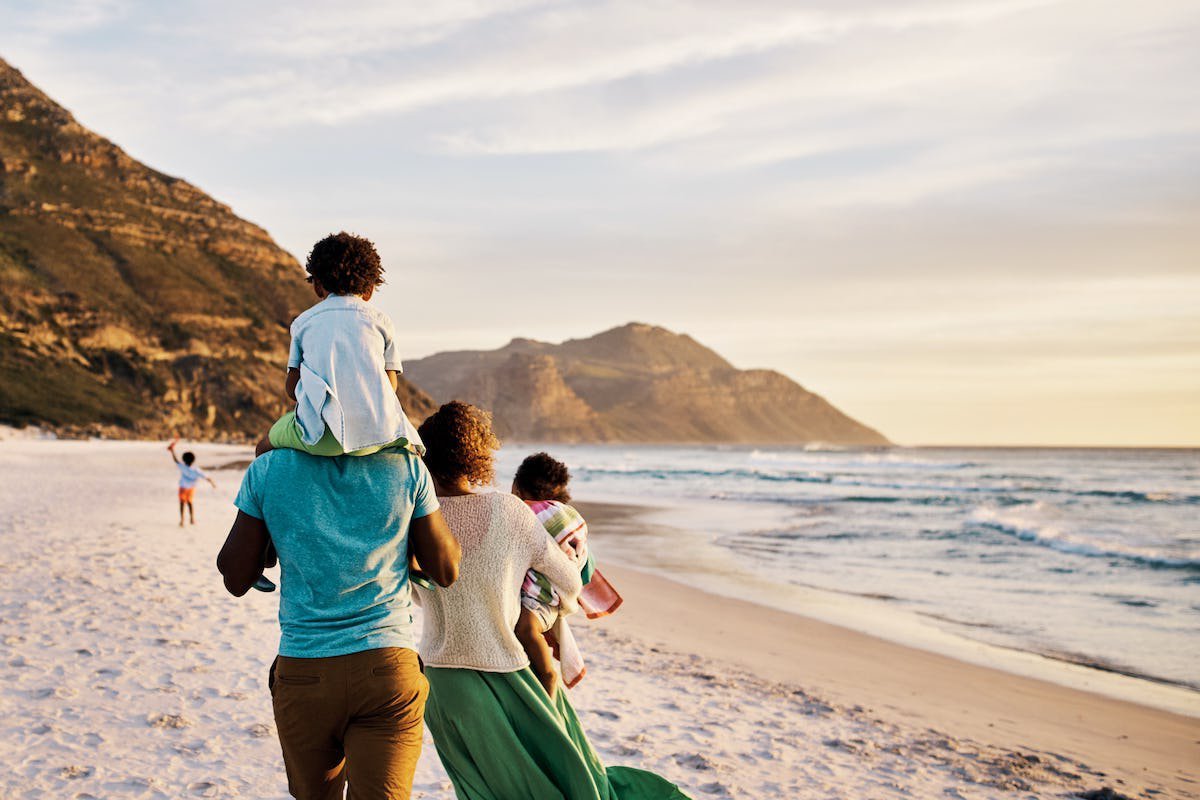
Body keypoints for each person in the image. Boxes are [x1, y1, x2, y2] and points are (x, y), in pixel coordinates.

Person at [414, 401, 691, 800]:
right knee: (561, 781)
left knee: (477, 792)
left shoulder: (418, 518)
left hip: (441, 685)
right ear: (476, 455)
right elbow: (570, 583)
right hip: (504, 673)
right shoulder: (509, 510)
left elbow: (423, 592)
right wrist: (538, 613)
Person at [216, 446, 461, 800]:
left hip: (305, 671)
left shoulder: (268, 469)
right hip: (386, 670)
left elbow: (235, 577)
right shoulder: (407, 468)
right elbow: (446, 570)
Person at [255, 232, 423, 459]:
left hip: (320, 438)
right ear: (370, 289)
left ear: (318, 286)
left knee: (263, 447)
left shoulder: (304, 323)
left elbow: (292, 389)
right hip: (376, 437)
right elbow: (390, 385)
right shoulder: (382, 322)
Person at [511, 451, 623, 694]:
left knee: (525, 629)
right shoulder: (567, 517)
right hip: (559, 595)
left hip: (540, 596)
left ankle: (548, 676)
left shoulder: (526, 513)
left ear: (518, 487)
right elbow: (586, 564)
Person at [168, 439, 215, 527]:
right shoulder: (196, 470)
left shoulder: (182, 467)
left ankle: (182, 520)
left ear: (184, 460)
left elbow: (176, 460)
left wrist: (172, 451)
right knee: (190, 503)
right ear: (193, 460)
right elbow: (206, 477)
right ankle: (192, 519)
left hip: (182, 488)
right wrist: (212, 483)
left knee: (182, 504)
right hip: (191, 489)